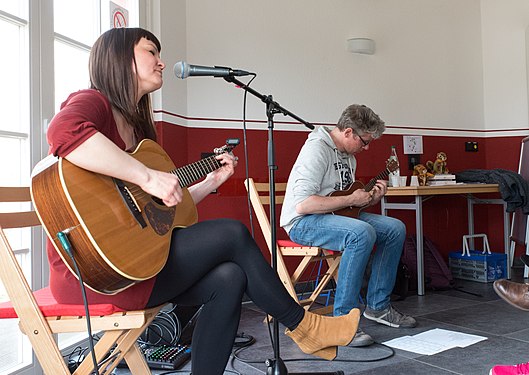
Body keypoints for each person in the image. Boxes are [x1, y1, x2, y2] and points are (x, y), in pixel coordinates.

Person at [44, 27, 360, 375]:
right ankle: (305, 327)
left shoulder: (139, 128)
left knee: (229, 278)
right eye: (151, 52)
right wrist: (147, 176)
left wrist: (210, 182)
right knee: (233, 233)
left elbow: (159, 211)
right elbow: (63, 132)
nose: (161, 62)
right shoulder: (95, 101)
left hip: (134, 263)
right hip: (94, 276)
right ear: (121, 58)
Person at [280, 104, 417, 347]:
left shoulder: (348, 156)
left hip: (334, 216)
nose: (367, 147)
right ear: (348, 132)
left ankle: (378, 307)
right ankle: (343, 320)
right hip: (303, 223)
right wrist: (352, 199)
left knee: (395, 228)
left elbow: (345, 205)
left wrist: (369, 199)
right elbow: (303, 205)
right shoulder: (317, 150)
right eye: (364, 141)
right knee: (361, 233)